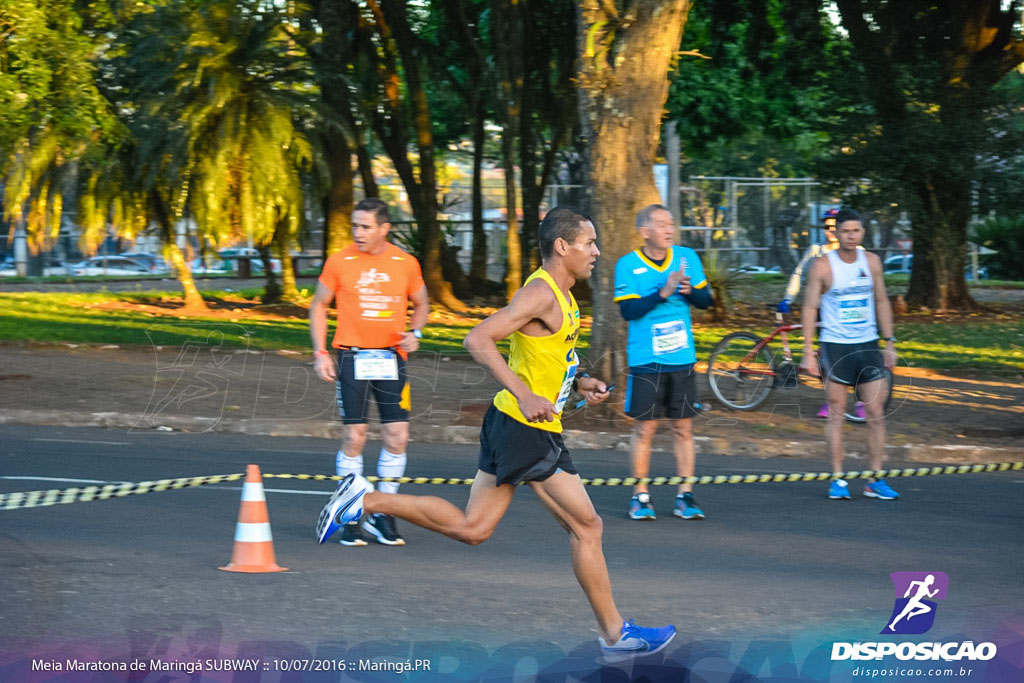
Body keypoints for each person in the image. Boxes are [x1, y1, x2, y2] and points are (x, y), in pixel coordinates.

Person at [316, 207, 676, 658]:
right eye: (589, 243)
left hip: (514, 423)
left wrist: (580, 381)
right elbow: (478, 339)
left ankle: (363, 499)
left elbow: (552, 351)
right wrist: (526, 394)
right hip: (525, 427)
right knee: (588, 525)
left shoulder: (563, 296)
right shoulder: (541, 293)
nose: (597, 252)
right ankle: (615, 635)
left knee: (474, 528)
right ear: (562, 247)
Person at [309, 197, 430, 546]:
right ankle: (350, 513)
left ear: (384, 229)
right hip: (352, 357)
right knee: (355, 437)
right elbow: (319, 304)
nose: (357, 233)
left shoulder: (405, 263)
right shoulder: (340, 261)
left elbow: (422, 303)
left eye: (365, 227)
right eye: (354, 226)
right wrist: (320, 352)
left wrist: (416, 333)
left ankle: (382, 513)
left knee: (397, 437)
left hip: (391, 359)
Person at [613, 204, 712, 521]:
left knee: (683, 427)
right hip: (646, 358)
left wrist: (688, 291)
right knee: (646, 429)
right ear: (644, 231)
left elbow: (706, 301)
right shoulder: (628, 265)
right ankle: (640, 497)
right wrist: (663, 292)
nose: (669, 229)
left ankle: (686, 496)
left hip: (681, 357)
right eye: (661, 224)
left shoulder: (687, 258)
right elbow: (628, 312)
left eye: (671, 223)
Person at [798, 208, 899, 501]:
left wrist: (889, 342)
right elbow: (809, 308)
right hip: (835, 346)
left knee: (876, 414)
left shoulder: (872, 262)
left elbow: (881, 300)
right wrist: (808, 352)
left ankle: (875, 479)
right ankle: (838, 478)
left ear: (862, 233)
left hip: (867, 345)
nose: (851, 236)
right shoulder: (822, 266)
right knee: (836, 415)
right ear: (835, 234)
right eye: (845, 231)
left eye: (856, 231)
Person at [778, 208, 864, 420]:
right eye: (827, 226)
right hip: (824, 311)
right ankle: (831, 400)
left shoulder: (858, 251)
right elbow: (799, 273)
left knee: (857, 357)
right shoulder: (817, 251)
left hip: (851, 312)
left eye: (834, 226)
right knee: (827, 357)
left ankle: (861, 401)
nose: (830, 230)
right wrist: (788, 298)